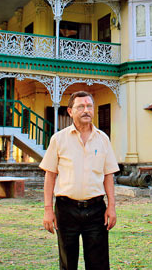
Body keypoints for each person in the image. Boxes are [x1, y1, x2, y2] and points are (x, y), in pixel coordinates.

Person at [40, 91, 119, 270]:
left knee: (98, 263)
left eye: (89, 106)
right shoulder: (59, 139)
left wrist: (111, 206)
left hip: (96, 210)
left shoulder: (103, 139)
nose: (86, 110)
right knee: (68, 263)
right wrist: (47, 210)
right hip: (66, 209)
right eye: (80, 107)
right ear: (70, 111)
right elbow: (50, 175)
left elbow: (108, 175)